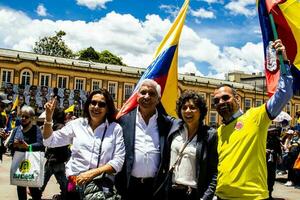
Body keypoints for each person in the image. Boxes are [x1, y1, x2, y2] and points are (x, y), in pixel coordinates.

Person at [213, 39, 293, 199]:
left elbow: (284, 94)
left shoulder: (256, 116)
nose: (220, 102)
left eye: (225, 97)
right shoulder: (220, 131)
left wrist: (283, 61)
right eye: (216, 101)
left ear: (236, 98)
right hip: (222, 197)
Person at [43, 89, 125, 199]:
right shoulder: (76, 124)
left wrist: (92, 173)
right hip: (74, 186)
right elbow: (50, 141)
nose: (96, 107)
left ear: (107, 108)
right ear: (88, 105)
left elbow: (118, 162)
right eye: (93, 102)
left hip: (99, 188)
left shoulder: (115, 129)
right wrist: (48, 118)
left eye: (101, 104)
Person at [115, 79, 174, 200]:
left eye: (152, 94)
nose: (146, 97)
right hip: (129, 186)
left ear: (158, 99)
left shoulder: (167, 123)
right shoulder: (123, 121)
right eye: (143, 92)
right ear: (137, 96)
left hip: (156, 188)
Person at [166, 90, 218, 200]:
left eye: (192, 107)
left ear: (201, 111)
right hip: (171, 192)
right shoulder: (175, 128)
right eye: (184, 108)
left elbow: (214, 172)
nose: (188, 111)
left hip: (193, 193)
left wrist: (206, 198)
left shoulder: (210, 135)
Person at [7, 105, 44, 200]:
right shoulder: (16, 129)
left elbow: (40, 144)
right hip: (18, 163)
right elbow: (10, 144)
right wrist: (14, 145)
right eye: (22, 116)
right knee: (20, 187)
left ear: (31, 118)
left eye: (26, 117)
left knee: (34, 188)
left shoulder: (36, 129)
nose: (23, 118)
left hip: (31, 163)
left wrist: (28, 147)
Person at [40, 109, 70, 200]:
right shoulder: (63, 127)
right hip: (59, 159)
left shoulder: (53, 127)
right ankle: (65, 195)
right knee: (63, 182)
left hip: (52, 159)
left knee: (43, 181)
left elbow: (48, 142)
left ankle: (36, 194)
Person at [266, 126, 282, 198]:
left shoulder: (277, 139)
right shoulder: (263, 138)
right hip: (264, 160)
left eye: (274, 131)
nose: (273, 132)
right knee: (264, 177)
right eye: (272, 131)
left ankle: (270, 193)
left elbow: (279, 150)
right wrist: (265, 150)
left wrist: (280, 157)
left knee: (271, 177)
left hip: (273, 161)